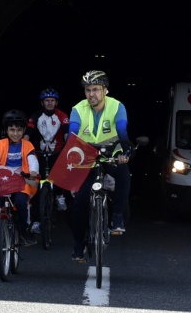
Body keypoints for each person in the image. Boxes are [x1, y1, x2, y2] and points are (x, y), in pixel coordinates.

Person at [66, 69, 131, 262]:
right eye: (87, 90)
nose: (91, 94)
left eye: (95, 89)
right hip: (85, 157)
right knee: (79, 204)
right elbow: (73, 133)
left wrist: (126, 150)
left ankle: (117, 217)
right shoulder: (78, 109)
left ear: (105, 91)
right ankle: (79, 244)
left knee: (123, 173)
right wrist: (70, 150)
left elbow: (121, 130)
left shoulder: (117, 106)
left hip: (111, 153)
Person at [0, 110, 38, 250]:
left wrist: (33, 171)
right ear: (6, 130)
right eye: (11, 130)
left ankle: (23, 231)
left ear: (23, 131)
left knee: (22, 202)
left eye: (18, 130)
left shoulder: (27, 145)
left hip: (22, 181)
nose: (15, 133)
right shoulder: (0, 144)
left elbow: (32, 159)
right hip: (3, 181)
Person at [29, 87, 70, 228]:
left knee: (58, 172)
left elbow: (66, 131)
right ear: (42, 103)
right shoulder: (36, 116)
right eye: (47, 101)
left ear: (56, 102)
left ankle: (59, 196)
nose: (50, 103)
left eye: (52, 100)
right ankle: (35, 221)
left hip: (57, 152)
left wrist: (67, 144)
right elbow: (28, 132)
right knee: (37, 186)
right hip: (39, 153)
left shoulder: (62, 115)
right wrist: (24, 145)